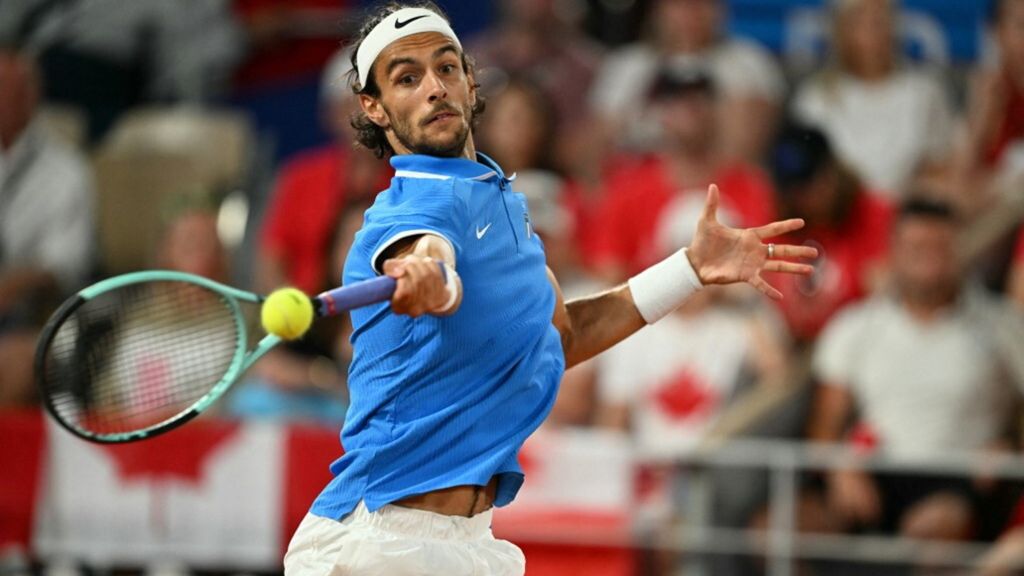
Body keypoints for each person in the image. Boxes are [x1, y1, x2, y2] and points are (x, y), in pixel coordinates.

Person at [281, 3, 816, 575]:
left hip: (467, 542)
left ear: (469, 78)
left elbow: (560, 337)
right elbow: (428, 256)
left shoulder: (502, 203)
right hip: (379, 542)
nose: (434, 88)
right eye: (407, 79)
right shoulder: (412, 208)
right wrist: (428, 277)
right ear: (374, 108)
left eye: (446, 68)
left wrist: (687, 270)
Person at [808, 199, 1024, 546]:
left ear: (959, 249)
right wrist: (838, 468)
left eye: (940, 248)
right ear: (893, 252)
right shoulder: (855, 327)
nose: (929, 260)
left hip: (962, 480)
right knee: (777, 528)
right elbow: (823, 429)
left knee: (931, 533)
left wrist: (1011, 447)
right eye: (917, 248)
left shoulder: (1003, 327)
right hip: (875, 473)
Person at [590, 65, 777, 281]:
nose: (690, 108)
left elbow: (768, 268)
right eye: (677, 100)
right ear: (661, 114)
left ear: (717, 110)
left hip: (730, 307)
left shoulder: (750, 186)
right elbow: (608, 271)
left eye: (699, 98)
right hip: (655, 310)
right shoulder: (628, 189)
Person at [0, 49, 94, 407]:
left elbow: (67, 264)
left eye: (8, 89)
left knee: (18, 361)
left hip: (30, 318)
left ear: (30, 96)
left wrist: (11, 286)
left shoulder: (66, 170)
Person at [792, 0, 956, 200]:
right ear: (840, 29)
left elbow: (942, 167)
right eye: (860, 20)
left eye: (879, 19)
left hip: (904, 215)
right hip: (835, 217)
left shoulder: (924, 93)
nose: (872, 30)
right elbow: (805, 175)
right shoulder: (815, 97)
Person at [589, 0, 785, 164]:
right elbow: (598, 147)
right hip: (636, 186)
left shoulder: (749, 63)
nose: (691, 13)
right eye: (680, 4)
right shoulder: (626, 66)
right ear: (657, 10)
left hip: (715, 186)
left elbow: (744, 151)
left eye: (701, 4)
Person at [769, 123, 894, 343]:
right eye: (794, 189)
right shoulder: (778, 223)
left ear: (831, 171)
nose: (803, 197)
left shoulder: (875, 215)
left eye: (810, 183)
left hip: (863, 345)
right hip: (795, 353)